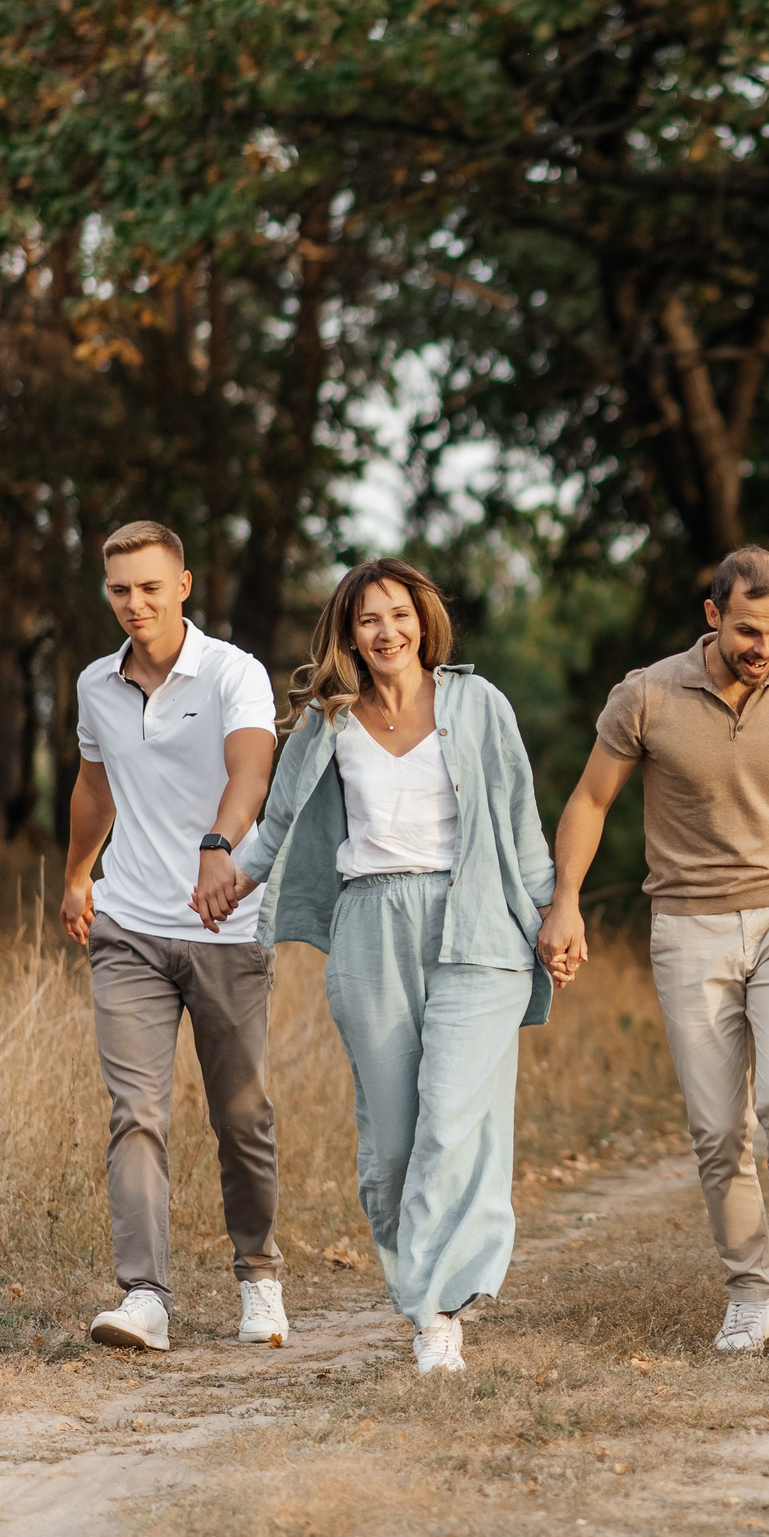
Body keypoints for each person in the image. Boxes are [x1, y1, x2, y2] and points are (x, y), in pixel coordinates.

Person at [535, 546, 769, 1357]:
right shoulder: (646, 693)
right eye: (750, 629)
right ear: (712, 615)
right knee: (718, 1128)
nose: (766, 646)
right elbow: (592, 798)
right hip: (689, 925)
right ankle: (750, 1293)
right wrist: (564, 901)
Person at [196, 558, 556, 1377]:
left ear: (424, 622)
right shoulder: (329, 723)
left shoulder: (479, 704)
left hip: (478, 926)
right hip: (370, 928)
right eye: (367, 619)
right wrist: (227, 880)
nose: (385, 631)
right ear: (347, 633)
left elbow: (521, 824)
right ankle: (426, 1289)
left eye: (398, 614)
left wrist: (552, 917)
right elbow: (280, 820)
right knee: (393, 1142)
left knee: (451, 1122)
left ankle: (438, 1314)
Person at [59, 521, 287, 1355]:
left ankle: (260, 1276)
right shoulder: (96, 684)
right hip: (130, 928)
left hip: (226, 926)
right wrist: (80, 871)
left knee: (242, 1113)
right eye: (120, 589)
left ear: (183, 585)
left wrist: (221, 845)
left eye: (150, 587)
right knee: (137, 1112)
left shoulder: (233, 672)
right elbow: (95, 786)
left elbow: (252, 767)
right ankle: (145, 1294)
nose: (134, 604)